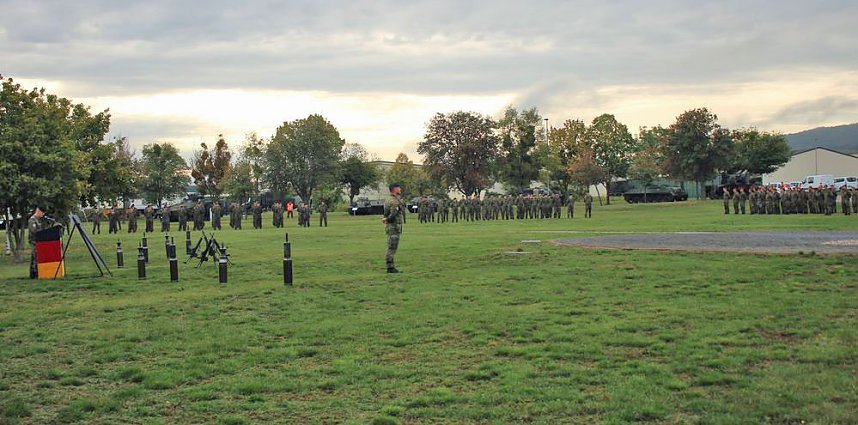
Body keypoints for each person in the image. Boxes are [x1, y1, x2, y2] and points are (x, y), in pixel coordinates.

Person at [382, 183, 404, 273]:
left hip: (391, 226)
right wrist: (387, 219)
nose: (400, 189)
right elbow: (393, 214)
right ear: (394, 189)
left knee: (391, 246)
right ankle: (390, 267)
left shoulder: (389, 199)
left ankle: (390, 266)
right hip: (394, 227)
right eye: (399, 188)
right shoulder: (394, 201)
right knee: (392, 247)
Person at [28, 206, 50, 279]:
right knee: (35, 257)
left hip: (38, 241)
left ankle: (36, 272)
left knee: (36, 257)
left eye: (43, 213)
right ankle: (34, 274)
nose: (43, 214)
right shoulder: (32, 220)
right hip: (34, 241)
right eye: (42, 212)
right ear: (37, 210)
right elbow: (34, 231)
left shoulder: (38, 220)